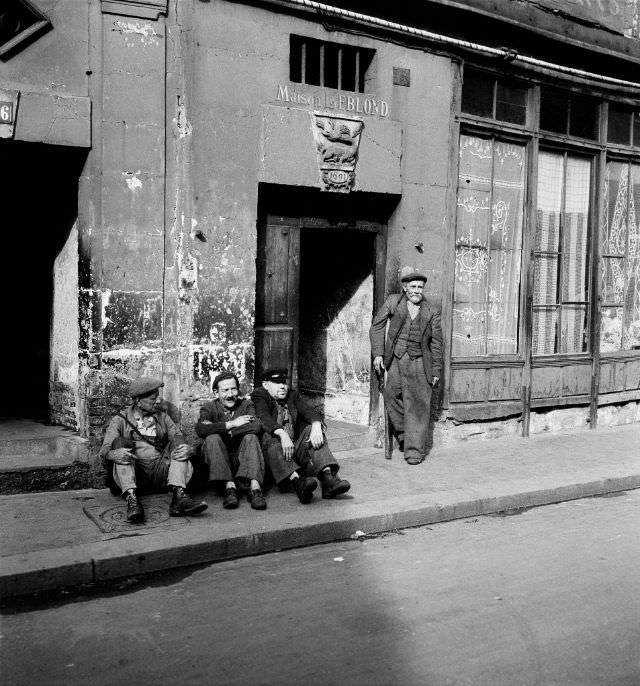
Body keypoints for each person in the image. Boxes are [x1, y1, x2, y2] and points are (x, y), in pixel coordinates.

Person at [99, 377, 208, 523]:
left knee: (178, 441)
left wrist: (189, 450)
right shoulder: (120, 420)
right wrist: (113, 454)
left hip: (161, 473)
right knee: (119, 442)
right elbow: (103, 451)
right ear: (138, 401)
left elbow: (179, 438)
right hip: (136, 474)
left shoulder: (163, 417)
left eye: (157, 397)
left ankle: (179, 496)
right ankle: (132, 500)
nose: (157, 402)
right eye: (152, 399)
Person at [370, 266, 443, 465]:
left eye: (420, 287)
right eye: (413, 286)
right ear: (405, 288)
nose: (417, 290)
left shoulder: (431, 311)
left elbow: (436, 343)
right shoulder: (394, 302)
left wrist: (436, 370)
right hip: (396, 360)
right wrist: (378, 354)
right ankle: (405, 436)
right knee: (390, 396)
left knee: (418, 406)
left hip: (420, 362)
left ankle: (414, 452)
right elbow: (377, 326)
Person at [251, 368, 351, 504]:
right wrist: (282, 433)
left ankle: (328, 479)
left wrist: (316, 424)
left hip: (293, 450)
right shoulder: (259, 395)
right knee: (269, 437)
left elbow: (309, 411)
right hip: (272, 457)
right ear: (265, 385)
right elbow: (264, 418)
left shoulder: (292, 395)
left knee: (313, 430)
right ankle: (298, 482)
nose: (282, 386)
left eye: (284, 382)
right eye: (277, 382)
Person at [195, 371, 267, 511]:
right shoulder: (209, 407)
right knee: (212, 438)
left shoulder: (246, 404)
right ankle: (230, 488)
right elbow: (201, 429)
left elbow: (256, 426)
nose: (230, 394)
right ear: (216, 393)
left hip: (243, 460)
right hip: (218, 461)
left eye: (233, 389)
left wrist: (228, 432)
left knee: (251, 437)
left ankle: (255, 489)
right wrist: (232, 424)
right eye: (225, 390)